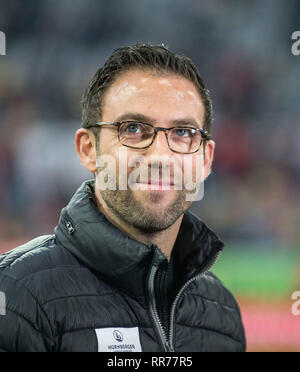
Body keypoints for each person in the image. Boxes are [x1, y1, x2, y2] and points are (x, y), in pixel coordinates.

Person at [0, 44, 246, 352]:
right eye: (133, 128)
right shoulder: (15, 295)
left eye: (183, 132)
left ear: (206, 159)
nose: (160, 155)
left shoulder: (223, 315)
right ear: (88, 149)